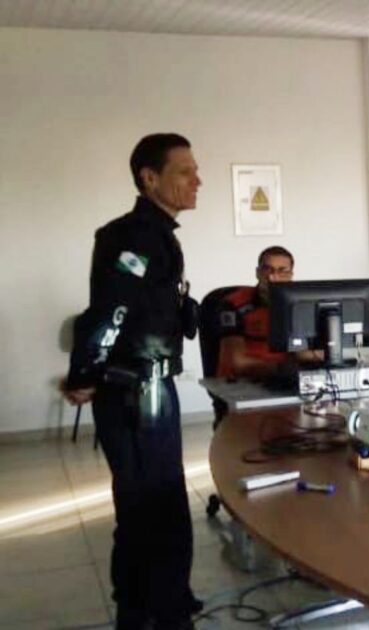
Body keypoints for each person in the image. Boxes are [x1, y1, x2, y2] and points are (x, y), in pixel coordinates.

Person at [62, 133, 202, 629]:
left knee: (159, 505)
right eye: (184, 171)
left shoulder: (160, 234)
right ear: (149, 177)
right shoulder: (133, 236)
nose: (196, 180)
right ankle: (152, 613)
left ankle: (163, 603)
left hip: (150, 387)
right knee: (151, 509)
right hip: (133, 392)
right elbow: (112, 311)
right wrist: (84, 373)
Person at [216, 246, 321, 380]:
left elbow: (303, 353)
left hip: (287, 378)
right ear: (257, 272)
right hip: (243, 382)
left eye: (282, 271)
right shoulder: (233, 304)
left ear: (291, 275)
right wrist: (285, 369)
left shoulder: (301, 304)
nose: (273, 277)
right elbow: (237, 363)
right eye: (267, 270)